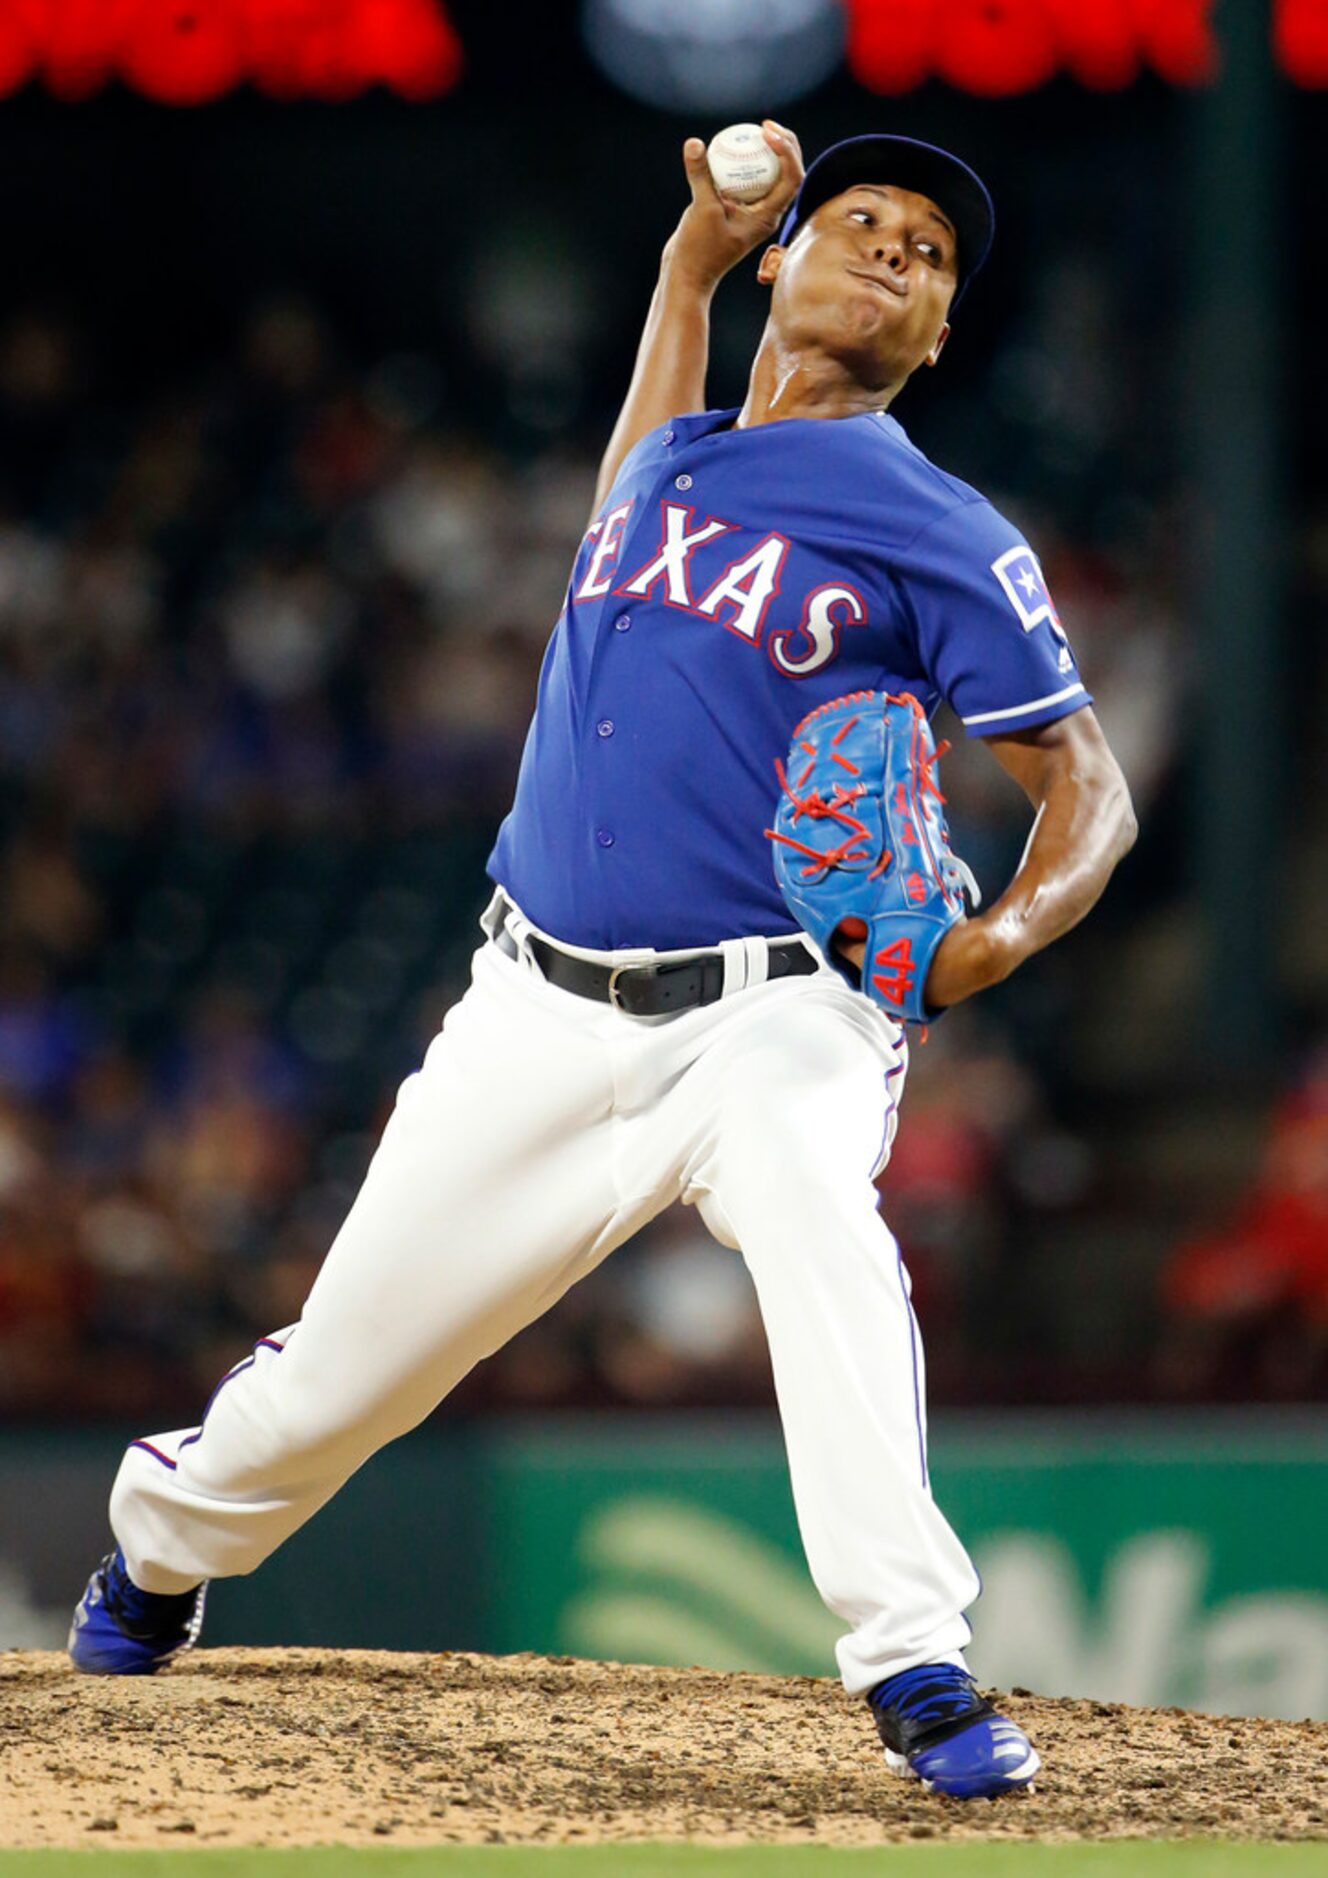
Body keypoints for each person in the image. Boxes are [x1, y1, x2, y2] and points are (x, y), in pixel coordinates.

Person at [69, 124, 1136, 1801]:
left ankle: (914, 1658)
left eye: (930, 259)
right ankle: (158, 1545)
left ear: (937, 339)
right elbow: (651, 411)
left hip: (781, 1009)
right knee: (342, 1379)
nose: (897, 257)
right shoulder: (669, 467)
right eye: (863, 225)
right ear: (791, 262)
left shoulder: (936, 522)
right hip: (534, 1012)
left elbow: (1093, 786)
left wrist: (995, 936)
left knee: (819, 1218)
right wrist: (693, 251)